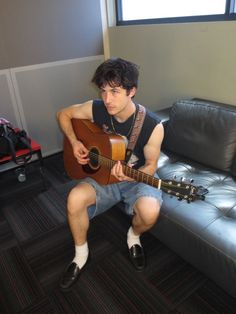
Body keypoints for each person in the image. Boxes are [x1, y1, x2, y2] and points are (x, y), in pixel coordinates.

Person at [57, 57, 164, 291]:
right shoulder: (97, 108)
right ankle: (81, 255)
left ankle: (133, 236)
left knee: (149, 213)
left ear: (132, 91)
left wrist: (135, 175)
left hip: (135, 178)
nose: (107, 99)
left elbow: (152, 166)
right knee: (74, 199)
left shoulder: (153, 125)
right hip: (105, 175)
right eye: (103, 91)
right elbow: (63, 114)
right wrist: (75, 142)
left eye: (115, 91)